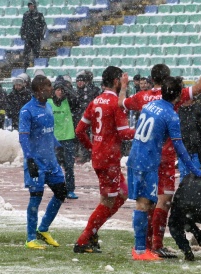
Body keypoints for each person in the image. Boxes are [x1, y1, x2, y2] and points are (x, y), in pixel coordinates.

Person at [119, 49, 201, 257]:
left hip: (139, 155)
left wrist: (122, 87)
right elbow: (180, 146)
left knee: (149, 202)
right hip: (156, 159)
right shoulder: (171, 110)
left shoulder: (146, 100)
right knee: (155, 202)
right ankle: (148, 247)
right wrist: (196, 171)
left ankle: (146, 246)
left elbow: (122, 104)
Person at [73, 66, 135, 253]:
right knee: (109, 201)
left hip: (102, 157)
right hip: (109, 159)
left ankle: (92, 232)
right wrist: (145, 131)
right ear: (117, 81)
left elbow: (79, 130)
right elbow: (124, 134)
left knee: (123, 193)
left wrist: (93, 148)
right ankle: (84, 239)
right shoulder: (115, 103)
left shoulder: (96, 101)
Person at [18, 75, 67, 249]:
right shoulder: (27, 111)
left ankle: (43, 229)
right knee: (35, 198)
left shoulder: (48, 107)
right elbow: (23, 138)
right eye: (48, 86)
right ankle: (31, 238)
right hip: (36, 162)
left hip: (51, 162)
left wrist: (57, 146)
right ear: (39, 90)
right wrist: (29, 159)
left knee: (61, 192)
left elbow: (48, 132)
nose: (51, 89)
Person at [49, 77, 79, 199]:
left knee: (69, 166)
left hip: (68, 137)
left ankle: (70, 189)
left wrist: (67, 89)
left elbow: (77, 99)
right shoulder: (49, 103)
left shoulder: (69, 101)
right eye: (58, 89)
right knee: (55, 166)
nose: (60, 92)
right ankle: (58, 189)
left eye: (62, 90)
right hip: (54, 139)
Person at [74, 70, 101, 163]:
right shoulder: (76, 92)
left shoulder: (93, 90)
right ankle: (85, 154)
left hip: (92, 116)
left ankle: (92, 153)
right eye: (78, 81)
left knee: (94, 135)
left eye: (82, 81)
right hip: (81, 116)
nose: (80, 83)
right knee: (82, 134)